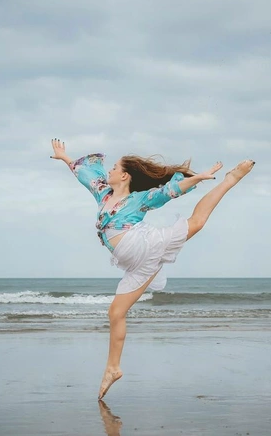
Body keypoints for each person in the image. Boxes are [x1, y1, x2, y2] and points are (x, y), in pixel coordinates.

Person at [50, 139, 255, 399]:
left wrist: (198, 178)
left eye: (114, 167)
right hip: (136, 266)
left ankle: (231, 179)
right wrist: (65, 157)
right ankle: (113, 368)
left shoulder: (139, 199)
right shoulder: (103, 193)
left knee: (197, 222)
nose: (109, 170)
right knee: (115, 313)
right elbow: (84, 176)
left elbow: (169, 191)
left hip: (147, 245)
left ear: (124, 175)